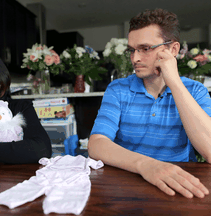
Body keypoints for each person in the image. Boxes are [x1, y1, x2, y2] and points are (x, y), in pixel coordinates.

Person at [88, 8, 211, 199]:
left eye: (145, 49)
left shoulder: (196, 91)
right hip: (127, 183)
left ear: (173, 50)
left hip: (178, 186)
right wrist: (147, 165)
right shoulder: (118, 89)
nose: (135, 58)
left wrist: (175, 83)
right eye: (132, 50)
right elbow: (96, 144)